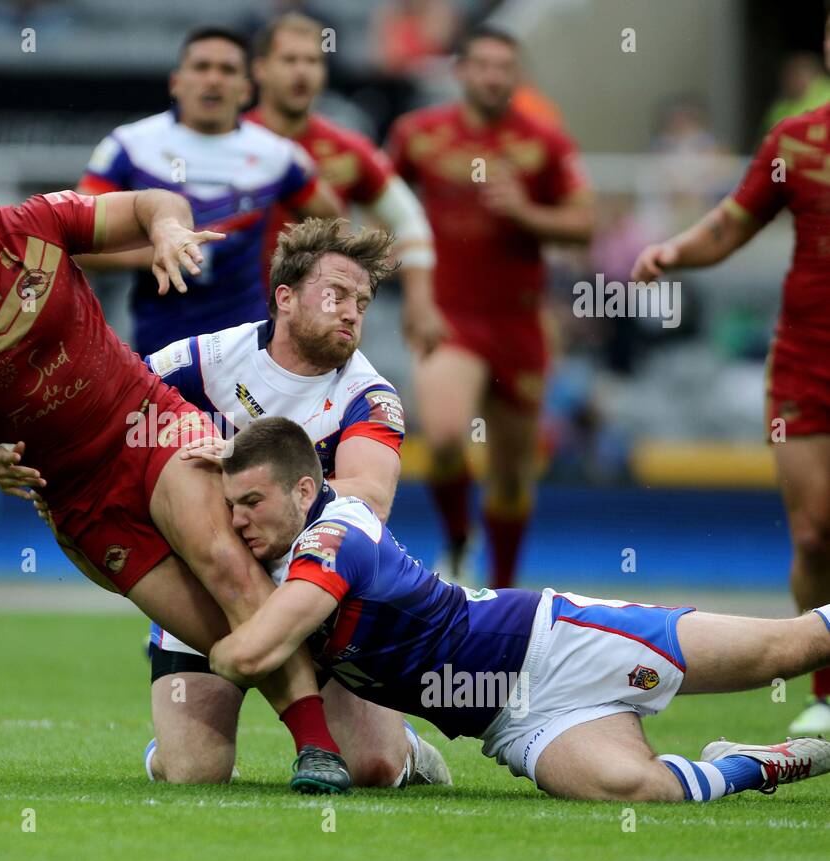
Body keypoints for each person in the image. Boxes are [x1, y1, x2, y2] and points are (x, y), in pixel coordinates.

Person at [0, 139, 351, 793]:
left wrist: (171, 229)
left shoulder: (35, 224)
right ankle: (221, 734)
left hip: (146, 425)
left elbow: (152, 203)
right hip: (76, 500)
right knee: (218, 643)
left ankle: (319, 748)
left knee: (227, 567)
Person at [0, 218, 452, 789]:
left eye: (362, 299)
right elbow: (97, 412)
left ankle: (403, 747)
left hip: (315, 598)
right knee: (194, 775)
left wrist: (249, 461)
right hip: (206, 583)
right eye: (335, 294)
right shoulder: (204, 360)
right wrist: (12, 454)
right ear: (284, 297)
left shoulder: (369, 396)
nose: (352, 311)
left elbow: (371, 500)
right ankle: (173, 740)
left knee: (375, 770)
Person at [208, 416, 830, 801]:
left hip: (554, 641)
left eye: (251, 502)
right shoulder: (279, 555)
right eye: (229, 505)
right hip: (507, 721)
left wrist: (203, 636)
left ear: (305, 490)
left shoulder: (336, 534)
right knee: (632, 788)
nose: (237, 521)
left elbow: (254, 651)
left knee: (791, 648)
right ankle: (757, 765)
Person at [630, 12, 830, 736]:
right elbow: (731, 222)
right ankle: (826, 692)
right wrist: (673, 252)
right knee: (812, 534)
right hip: (807, 356)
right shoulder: (796, 140)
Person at [385, 24, 594, 588]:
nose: (493, 76)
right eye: (482, 65)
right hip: (448, 316)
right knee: (447, 434)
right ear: (461, 71)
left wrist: (527, 213)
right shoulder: (418, 135)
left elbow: (584, 224)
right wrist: (402, 284)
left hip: (520, 323)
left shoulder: (544, 142)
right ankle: (456, 539)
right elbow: (381, 203)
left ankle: (502, 589)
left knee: (509, 473)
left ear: (516, 76)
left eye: (505, 67)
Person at [74, 25, 344, 356]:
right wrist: (158, 252)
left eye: (227, 70)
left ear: (246, 90)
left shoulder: (277, 155)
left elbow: (334, 227)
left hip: (248, 345)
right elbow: (77, 239)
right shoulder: (130, 146)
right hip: (157, 345)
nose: (213, 79)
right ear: (177, 82)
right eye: (202, 67)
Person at [244, 12, 443, 350]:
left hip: (314, 329)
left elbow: (409, 220)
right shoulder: (230, 144)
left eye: (312, 61)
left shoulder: (347, 148)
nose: (302, 71)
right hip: (229, 318)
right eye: (289, 60)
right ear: (260, 69)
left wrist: (420, 300)